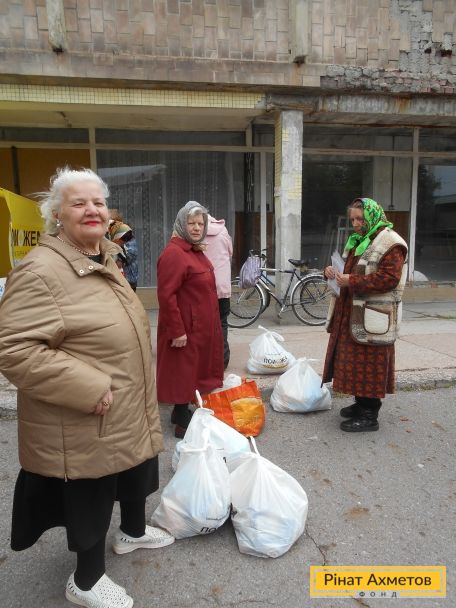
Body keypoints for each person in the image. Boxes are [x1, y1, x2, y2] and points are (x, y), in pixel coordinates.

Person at [0, 167, 174, 608]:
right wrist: (88, 386)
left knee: (135, 469)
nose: (92, 210)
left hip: (127, 399)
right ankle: (86, 581)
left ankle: (132, 532)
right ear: (57, 214)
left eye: (98, 202)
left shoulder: (103, 257)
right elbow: (13, 349)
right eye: (78, 203)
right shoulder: (40, 271)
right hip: (86, 411)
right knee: (92, 492)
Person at [322, 197, 408, 432]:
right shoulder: (360, 240)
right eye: (353, 220)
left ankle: (370, 414)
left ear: (373, 215)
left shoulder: (391, 242)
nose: (356, 224)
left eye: (360, 219)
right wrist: (331, 272)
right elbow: (349, 269)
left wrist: (351, 281)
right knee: (355, 362)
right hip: (353, 313)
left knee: (370, 364)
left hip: (374, 316)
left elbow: (389, 279)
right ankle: (361, 404)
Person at [156, 201, 224, 438]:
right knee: (183, 372)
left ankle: (180, 411)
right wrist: (176, 330)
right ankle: (183, 425)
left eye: (200, 223)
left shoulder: (194, 250)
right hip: (184, 327)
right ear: (181, 224)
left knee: (190, 371)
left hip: (198, 327)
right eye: (191, 223)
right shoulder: (174, 254)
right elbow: (166, 295)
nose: (196, 228)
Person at [204, 214, 233, 369]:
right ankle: (223, 360)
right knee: (222, 323)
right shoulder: (223, 230)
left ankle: (208, 360)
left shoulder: (194, 233)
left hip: (204, 286)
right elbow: (230, 251)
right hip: (222, 287)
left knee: (205, 325)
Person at [107, 209, 138, 291]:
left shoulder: (126, 235)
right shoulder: (108, 236)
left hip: (128, 279)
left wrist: (117, 249)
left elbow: (130, 255)